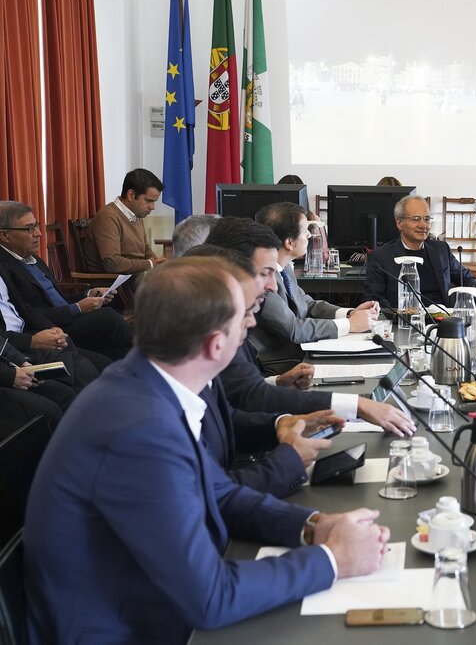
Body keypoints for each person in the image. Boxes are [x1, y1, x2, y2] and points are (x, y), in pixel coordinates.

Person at [23, 257, 391, 643]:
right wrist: (334, 559)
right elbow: (210, 598)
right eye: (245, 316)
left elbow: (218, 492)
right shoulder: (139, 428)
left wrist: (314, 526)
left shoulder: (148, 385)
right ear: (216, 345)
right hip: (131, 628)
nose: (251, 324)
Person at [205, 217, 415, 436]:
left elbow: (237, 397)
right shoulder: (215, 327)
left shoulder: (235, 317)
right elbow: (249, 395)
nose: (272, 286)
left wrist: (277, 383)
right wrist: (355, 405)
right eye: (264, 273)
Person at [185, 244, 343, 498]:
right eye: (244, 313)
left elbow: (227, 422)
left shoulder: (191, 372)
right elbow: (212, 497)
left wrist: (279, 424)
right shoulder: (147, 412)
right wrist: (288, 461)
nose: (252, 322)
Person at [0, 201, 133, 361]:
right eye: (29, 229)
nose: (39, 233)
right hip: (50, 327)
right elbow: (28, 314)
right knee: (109, 318)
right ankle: (155, 357)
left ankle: (140, 366)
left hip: (66, 317)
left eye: (36, 225)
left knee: (116, 348)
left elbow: (57, 298)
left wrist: (88, 294)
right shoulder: (6, 268)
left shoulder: (32, 258)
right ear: (5, 235)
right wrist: (78, 308)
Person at [252, 202, 379, 368]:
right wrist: (351, 324)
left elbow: (307, 304)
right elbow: (294, 329)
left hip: (301, 355)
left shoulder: (284, 268)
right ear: (289, 242)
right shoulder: (262, 278)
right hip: (277, 364)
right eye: (305, 231)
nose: (309, 236)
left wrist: (349, 313)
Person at [362, 195, 476, 308]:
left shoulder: (441, 250)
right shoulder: (381, 257)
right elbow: (372, 300)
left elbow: (466, 277)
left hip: (442, 320)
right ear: (399, 223)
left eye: (426, 219)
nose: (423, 225)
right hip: (402, 321)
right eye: (416, 219)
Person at [87, 167, 166, 274]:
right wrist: (150, 264)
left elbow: (145, 249)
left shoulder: (137, 214)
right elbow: (112, 263)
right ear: (131, 195)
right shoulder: (107, 217)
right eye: (148, 201)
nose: (152, 207)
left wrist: (158, 262)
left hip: (135, 278)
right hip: (116, 284)